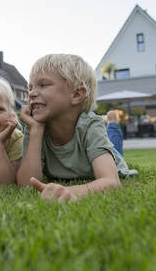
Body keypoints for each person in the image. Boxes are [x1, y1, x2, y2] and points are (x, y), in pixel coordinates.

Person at [17, 54, 137, 202]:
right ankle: (111, 123)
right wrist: (36, 130)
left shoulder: (90, 125)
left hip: (107, 156)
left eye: (43, 85)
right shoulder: (35, 125)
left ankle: (112, 123)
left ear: (76, 94)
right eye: (30, 87)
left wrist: (70, 191)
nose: (32, 93)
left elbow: (111, 181)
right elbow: (26, 184)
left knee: (115, 149)